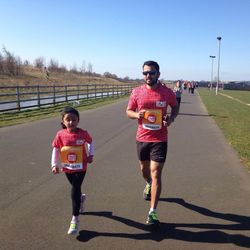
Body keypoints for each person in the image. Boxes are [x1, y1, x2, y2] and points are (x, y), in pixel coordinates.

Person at [126, 60, 178, 225]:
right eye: (145, 73)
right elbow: (128, 111)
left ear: (158, 74)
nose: (148, 76)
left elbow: (175, 106)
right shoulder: (137, 92)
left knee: (156, 173)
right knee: (144, 170)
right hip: (142, 138)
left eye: (151, 73)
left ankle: (152, 212)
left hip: (160, 139)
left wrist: (171, 118)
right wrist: (137, 115)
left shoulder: (166, 92)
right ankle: (148, 183)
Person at [51, 106, 94, 235]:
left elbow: (91, 142)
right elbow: (56, 149)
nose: (71, 122)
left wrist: (91, 155)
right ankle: (81, 198)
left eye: (74, 119)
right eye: (68, 119)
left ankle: (75, 219)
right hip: (67, 167)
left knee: (75, 188)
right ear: (63, 121)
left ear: (78, 120)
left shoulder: (83, 133)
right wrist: (54, 164)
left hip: (81, 166)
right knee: (75, 187)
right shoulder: (60, 134)